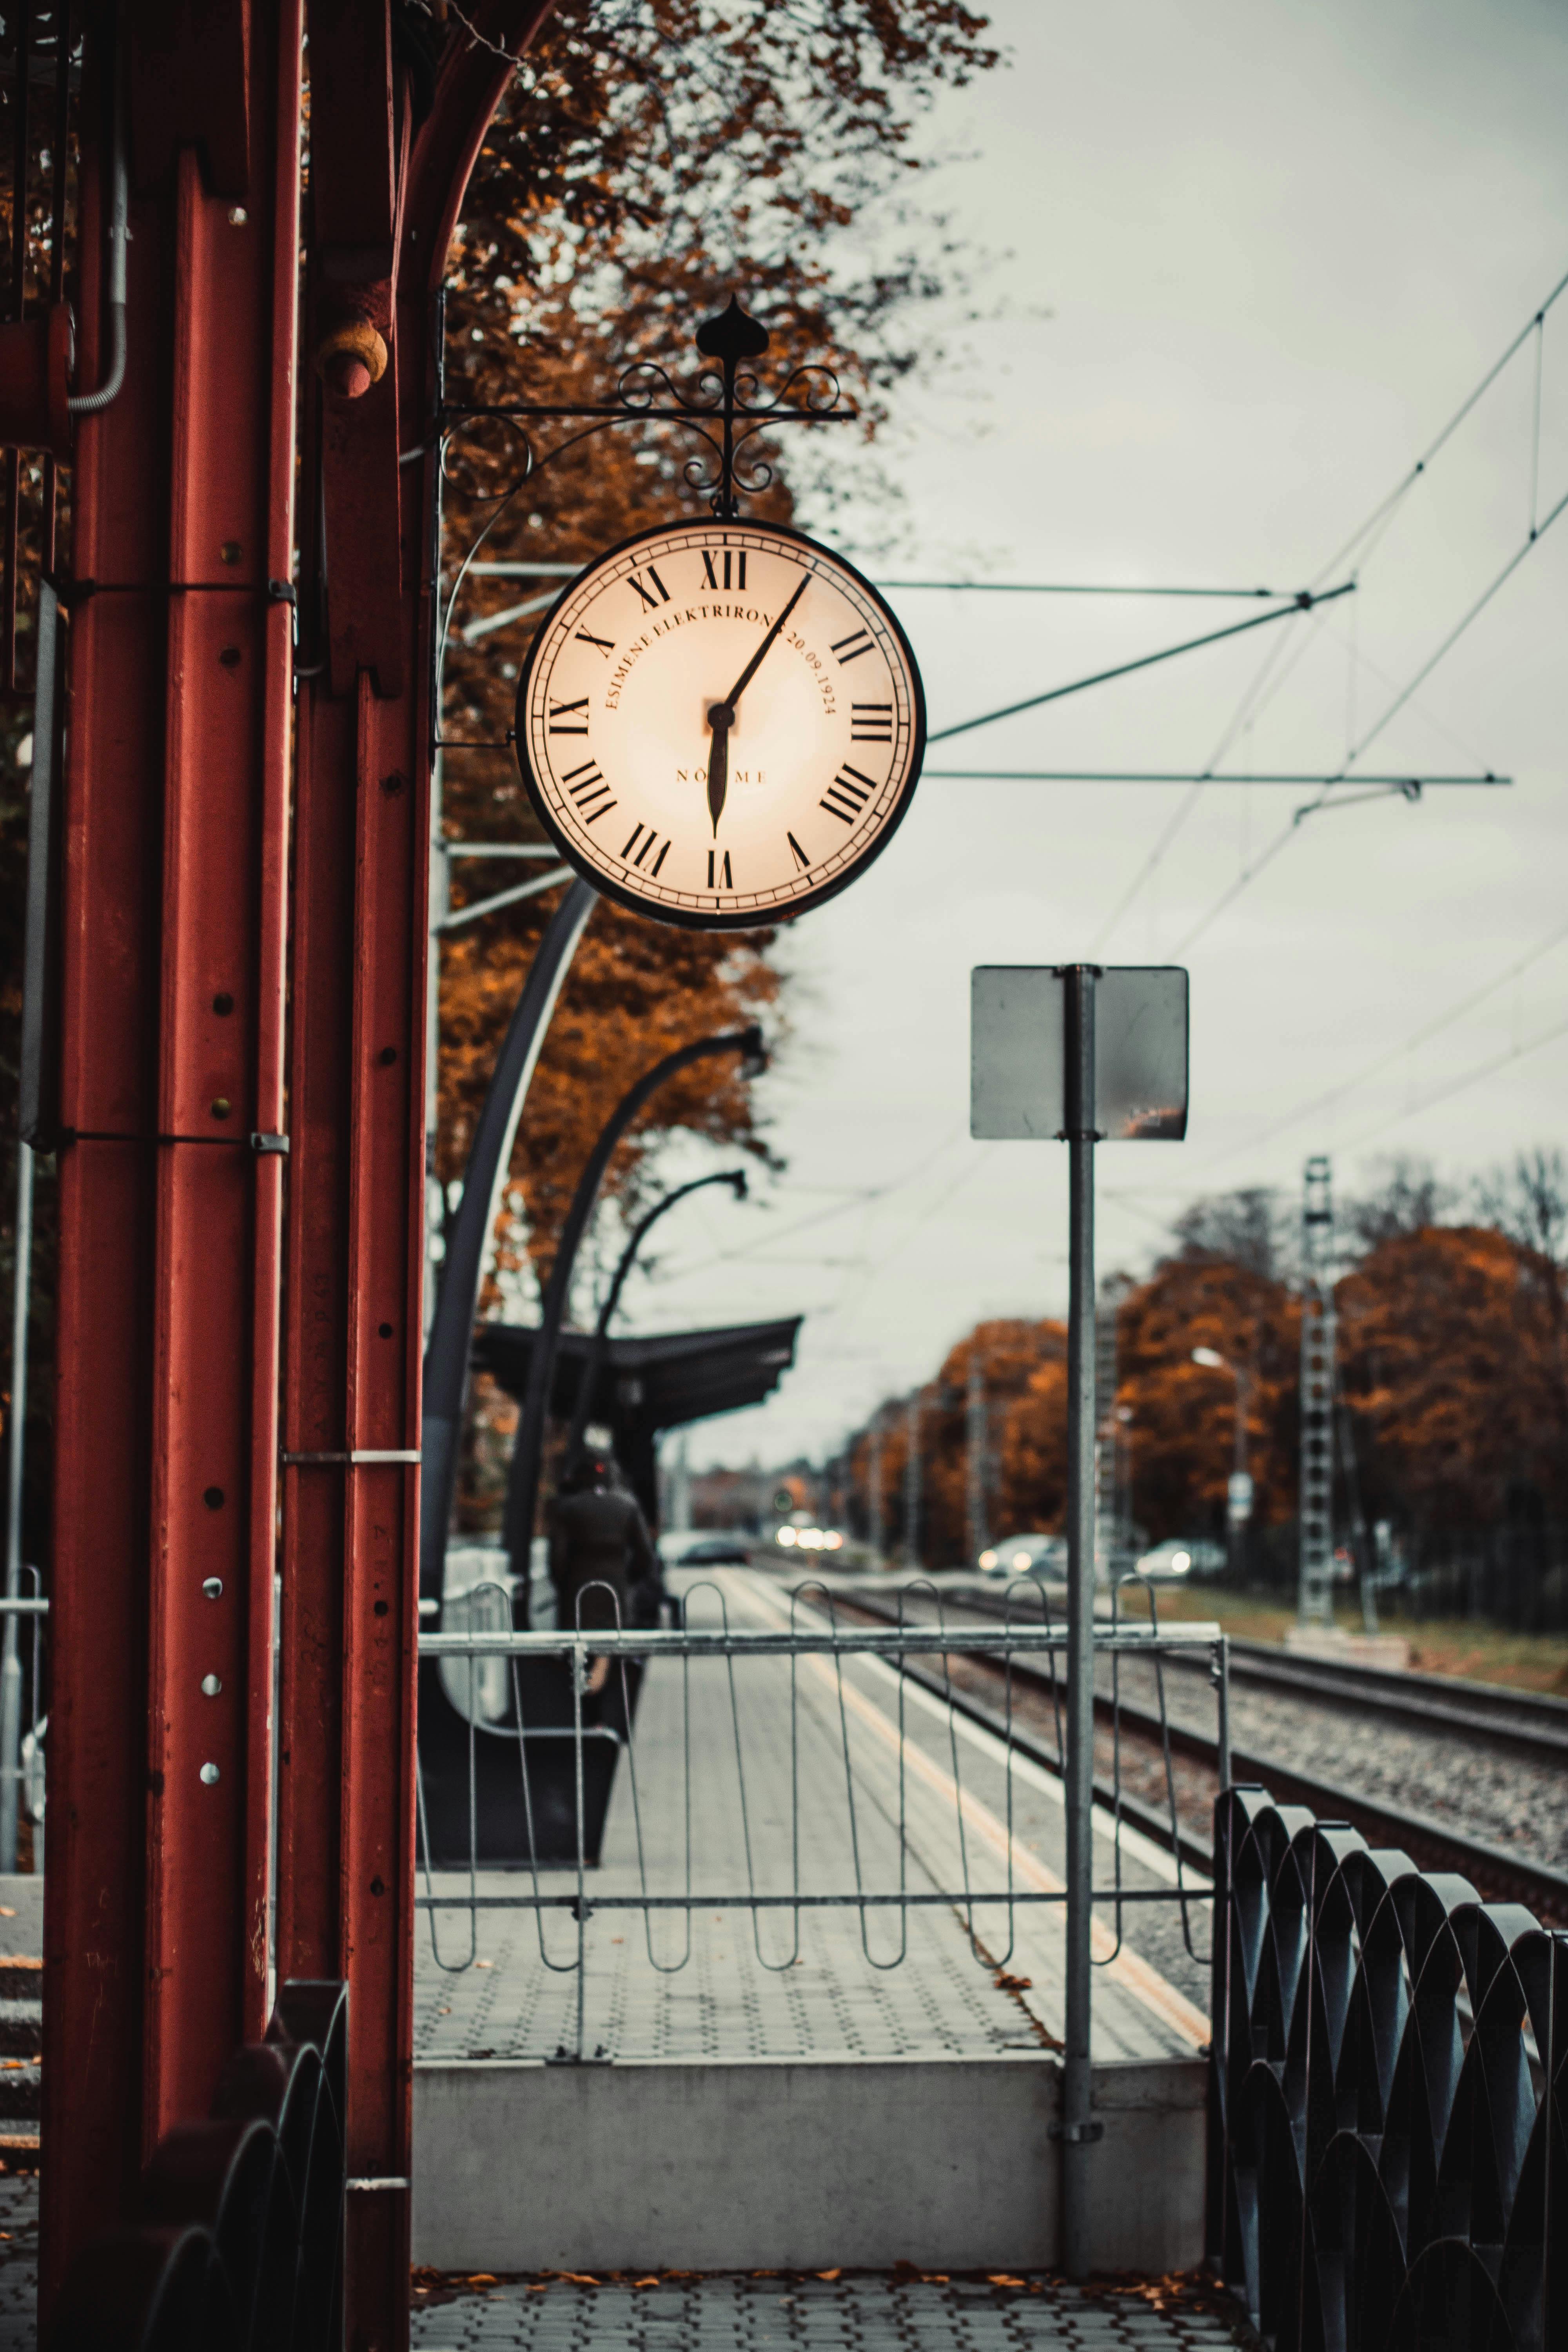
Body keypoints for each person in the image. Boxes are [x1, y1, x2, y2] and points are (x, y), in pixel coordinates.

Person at [548, 1437, 662, 1694]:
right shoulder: (628, 1505)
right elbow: (646, 1556)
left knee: (578, 1656)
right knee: (612, 1656)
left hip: (578, 1594)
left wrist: (565, 1586)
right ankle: (608, 1720)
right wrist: (627, 1580)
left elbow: (557, 1559)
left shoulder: (567, 1508)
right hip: (617, 1592)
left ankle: (582, 1715)